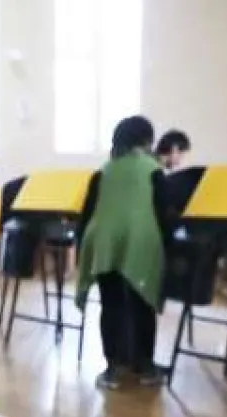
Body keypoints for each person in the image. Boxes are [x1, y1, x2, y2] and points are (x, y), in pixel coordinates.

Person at [76, 116, 170, 389]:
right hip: (140, 241)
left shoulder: (103, 170)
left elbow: (87, 212)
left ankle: (113, 368)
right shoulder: (152, 168)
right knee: (142, 304)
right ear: (146, 140)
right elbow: (163, 212)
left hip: (103, 240)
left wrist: (83, 245)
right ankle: (144, 366)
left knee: (111, 304)